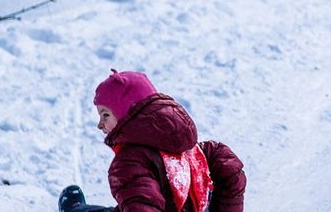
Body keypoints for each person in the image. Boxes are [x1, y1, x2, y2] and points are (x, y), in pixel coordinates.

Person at [58, 70, 246, 212]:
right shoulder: (189, 148)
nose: (100, 125)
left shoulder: (130, 163)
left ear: (127, 113)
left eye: (105, 114)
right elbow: (227, 166)